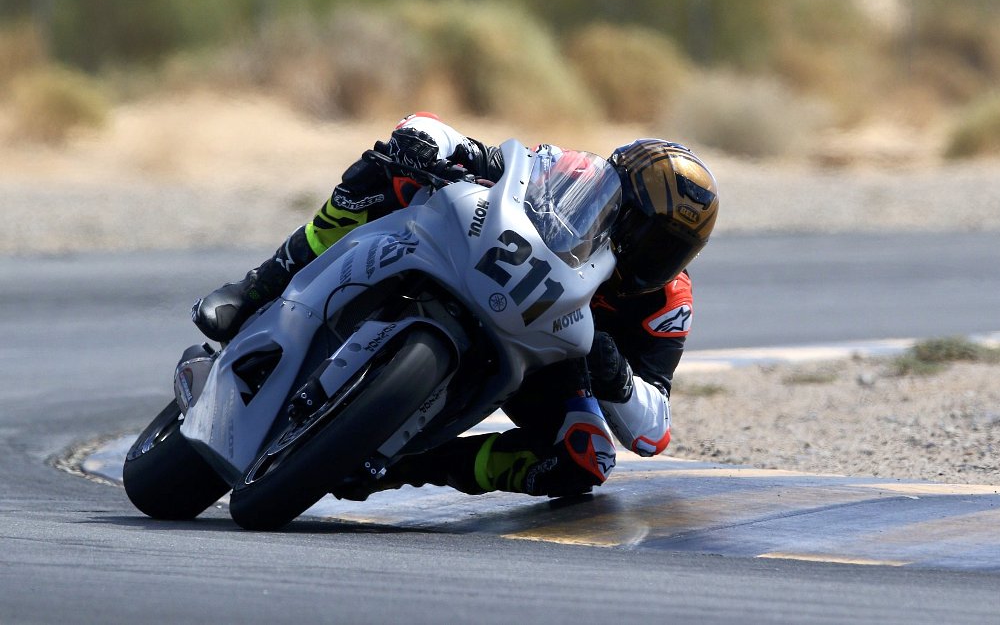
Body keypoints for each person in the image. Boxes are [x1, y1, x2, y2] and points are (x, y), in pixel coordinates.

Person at [192, 112, 719, 499]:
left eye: (669, 247)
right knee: (391, 170)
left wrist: (617, 378)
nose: (650, 255)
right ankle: (260, 285)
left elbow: (655, 431)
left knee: (585, 457)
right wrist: (430, 140)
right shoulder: (572, 177)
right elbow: (493, 158)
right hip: (480, 256)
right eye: (644, 232)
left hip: (550, 358)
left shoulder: (667, 302)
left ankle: (402, 463)